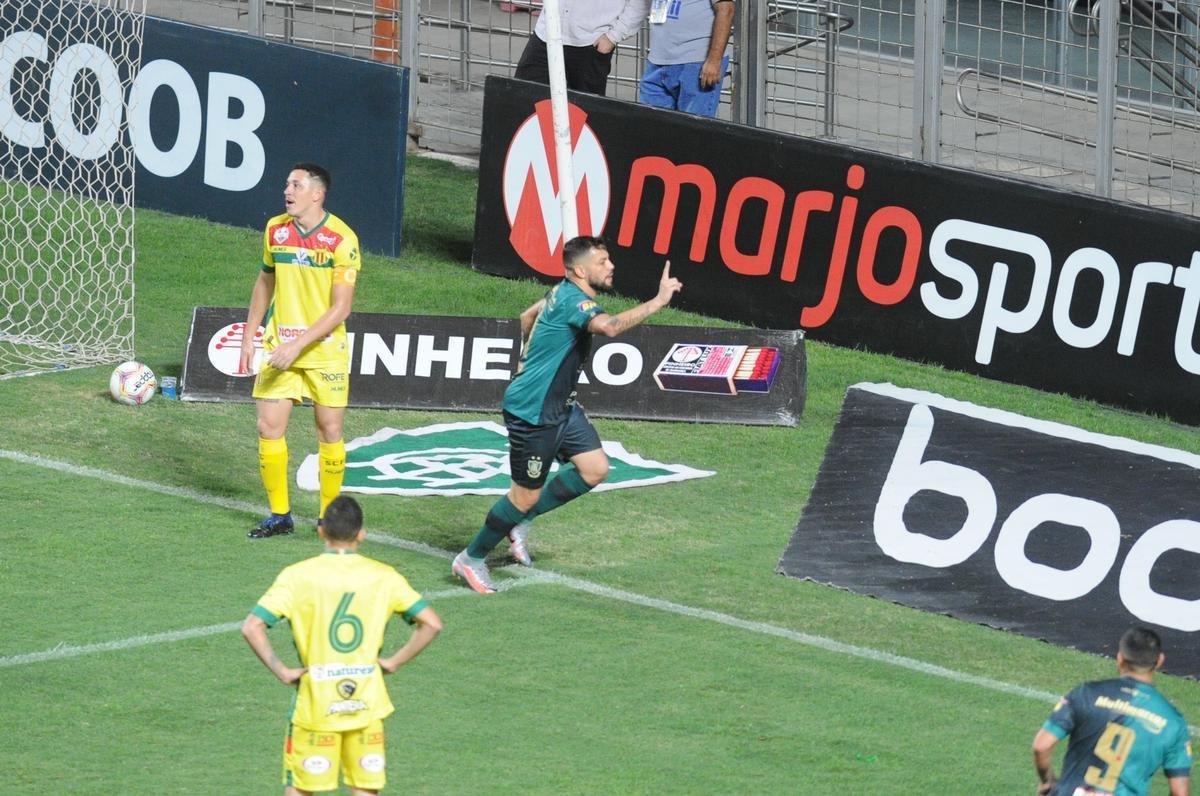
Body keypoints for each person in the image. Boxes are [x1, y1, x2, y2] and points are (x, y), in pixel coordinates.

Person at [451, 235, 682, 593]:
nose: (611, 266)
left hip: (561, 407)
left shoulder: (561, 292)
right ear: (579, 269)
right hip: (534, 412)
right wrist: (659, 300)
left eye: (608, 260)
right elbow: (611, 327)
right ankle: (471, 558)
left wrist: (533, 356)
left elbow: (527, 316)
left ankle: (519, 522)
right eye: (602, 261)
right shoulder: (575, 301)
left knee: (595, 469)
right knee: (524, 494)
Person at [242, 495, 442, 795]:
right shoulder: (384, 576)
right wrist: (393, 662)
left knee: (300, 788)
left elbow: (252, 626)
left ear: (322, 531)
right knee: (364, 789)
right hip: (366, 701)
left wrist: (281, 670)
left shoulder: (297, 576)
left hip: (316, 702)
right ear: (361, 533)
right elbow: (432, 624)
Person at [241, 162, 361, 539]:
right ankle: (280, 515)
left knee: (330, 430)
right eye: (286, 183)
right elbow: (265, 281)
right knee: (268, 427)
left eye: (295, 185)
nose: (287, 191)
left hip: (324, 350)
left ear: (317, 194)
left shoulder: (343, 240)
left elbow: (341, 308)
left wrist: (297, 345)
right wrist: (250, 333)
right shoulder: (275, 230)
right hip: (281, 348)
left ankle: (328, 517)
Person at [1032, 626, 1192, 796]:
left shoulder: (1087, 693)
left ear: (1120, 658)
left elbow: (1041, 746)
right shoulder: (1173, 721)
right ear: (1159, 661)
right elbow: (1179, 792)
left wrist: (1047, 782)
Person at [513, 0, 651, 96]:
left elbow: (640, 3)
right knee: (523, 98)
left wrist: (614, 36)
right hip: (547, 33)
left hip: (591, 41)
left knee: (587, 116)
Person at [639, 0, 735, 117]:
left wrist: (714, 60)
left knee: (694, 131)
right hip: (657, 60)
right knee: (653, 128)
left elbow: (726, 9)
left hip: (696, 64)